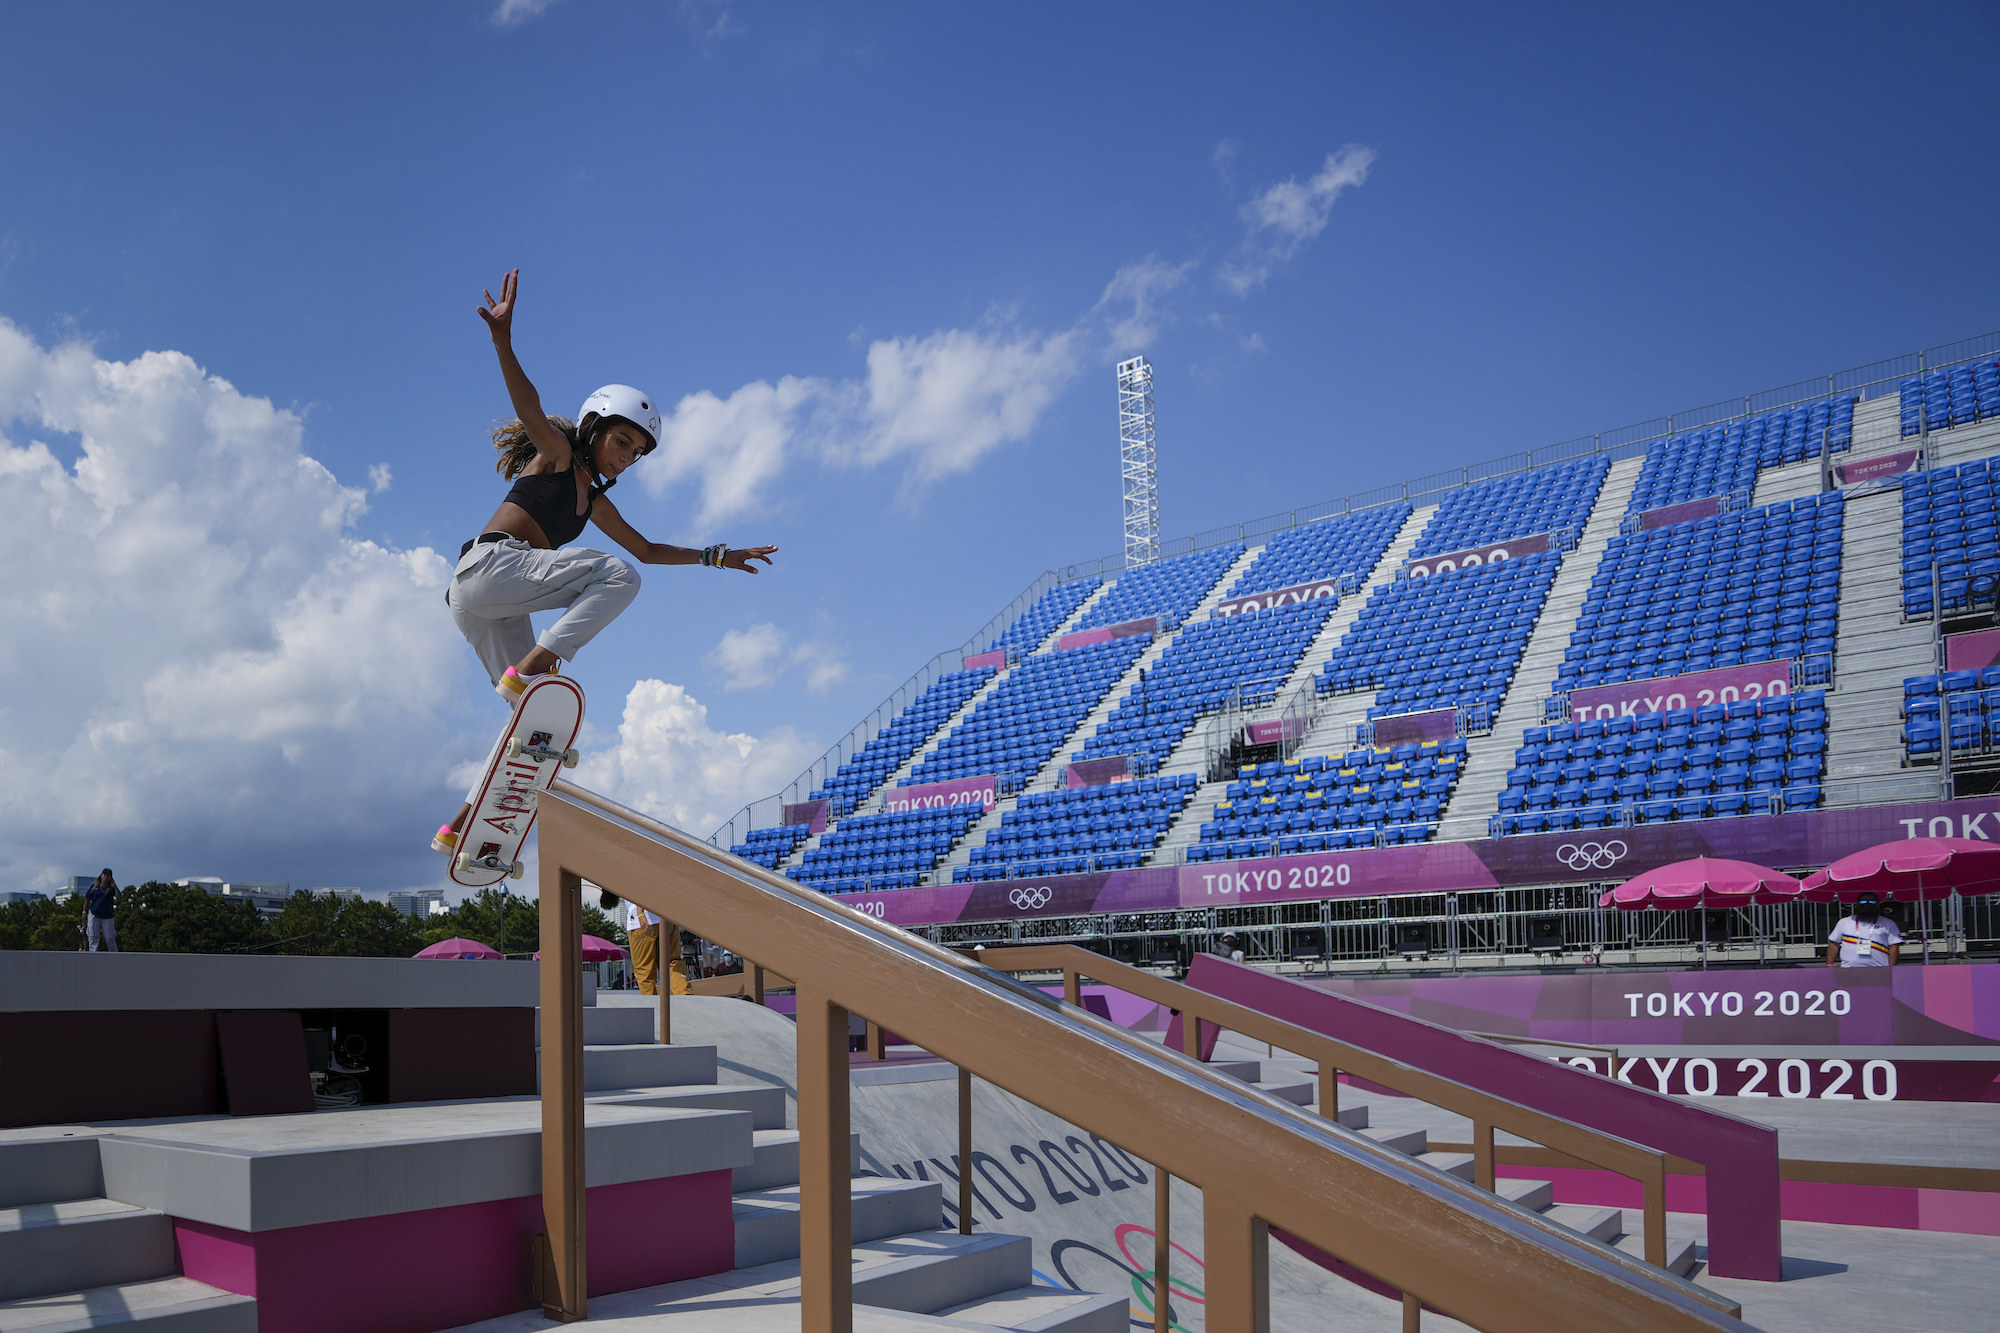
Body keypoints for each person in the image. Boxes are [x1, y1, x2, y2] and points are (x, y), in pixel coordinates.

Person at [434, 270, 779, 855]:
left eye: (637, 454)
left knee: (526, 718)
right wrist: (502, 342)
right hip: (489, 570)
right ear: (594, 429)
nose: (627, 459)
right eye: (623, 443)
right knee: (614, 577)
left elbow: (646, 547)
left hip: (481, 602)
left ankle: (462, 824)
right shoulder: (557, 454)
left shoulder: (593, 500)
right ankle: (531, 668)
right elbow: (530, 405)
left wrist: (717, 556)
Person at [1827, 892, 1902, 967]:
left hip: (1879, 970)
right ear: (1857, 904)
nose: (1867, 904)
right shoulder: (1844, 922)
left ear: (1878, 904)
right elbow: (1834, 944)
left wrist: (1892, 968)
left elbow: (1893, 947)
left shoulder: (1888, 923)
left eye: (1872, 901)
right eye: (1863, 901)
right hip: (1849, 970)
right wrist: (1829, 964)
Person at [83, 869, 118, 953]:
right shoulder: (94, 887)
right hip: (94, 914)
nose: (106, 877)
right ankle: (93, 954)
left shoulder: (111, 889)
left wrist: (114, 885)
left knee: (109, 937)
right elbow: (87, 900)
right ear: (101, 875)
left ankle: (114, 955)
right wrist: (84, 913)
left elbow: (119, 896)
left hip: (107, 916)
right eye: (104, 875)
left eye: (108, 875)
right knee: (93, 936)